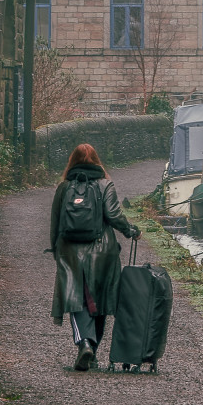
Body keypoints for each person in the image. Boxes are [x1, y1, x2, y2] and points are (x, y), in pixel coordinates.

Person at [50, 143, 136, 371]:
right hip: (102, 250)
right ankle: (92, 352)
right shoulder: (105, 184)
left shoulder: (64, 187)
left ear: (72, 161)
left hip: (70, 250)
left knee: (76, 299)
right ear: (97, 161)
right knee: (99, 301)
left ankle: (84, 344)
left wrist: (55, 250)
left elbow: (55, 222)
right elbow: (114, 214)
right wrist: (129, 231)